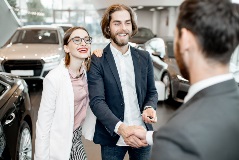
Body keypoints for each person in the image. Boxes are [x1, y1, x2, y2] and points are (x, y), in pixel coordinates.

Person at [127, 0, 239, 160]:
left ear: (185, 39)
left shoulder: (176, 139)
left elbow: (187, 135)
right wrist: (149, 136)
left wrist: (167, 138)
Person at [87, 4, 158, 160]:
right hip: (112, 136)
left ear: (132, 26)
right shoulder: (98, 60)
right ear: (108, 28)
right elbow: (97, 102)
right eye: (117, 23)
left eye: (127, 23)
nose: (123, 28)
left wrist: (149, 107)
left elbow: (151, 92)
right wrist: (122, 129)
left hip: (142, 134)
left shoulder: (144, 57)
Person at [34, 26, 97, 160]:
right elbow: (43, 124)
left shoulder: (87, 73)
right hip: (59, 142)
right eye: (77, 40)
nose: (83, 43)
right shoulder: (54, 78)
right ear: (66, 48)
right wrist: (41, 157)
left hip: (76, 137)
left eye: (86, 40)